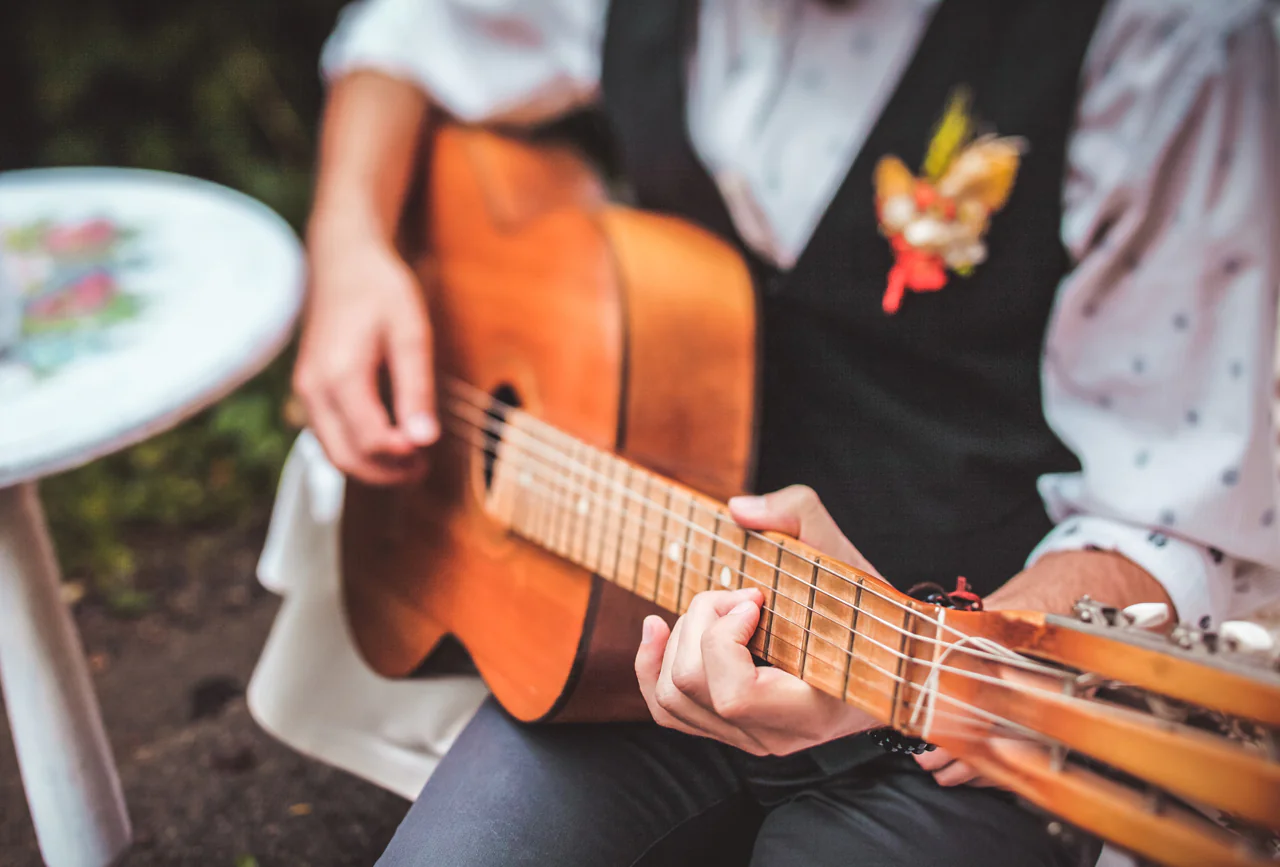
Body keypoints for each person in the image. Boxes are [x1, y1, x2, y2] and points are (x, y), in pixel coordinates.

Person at [286, 0, 1280, 865]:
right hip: (632, 633)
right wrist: (348, 251)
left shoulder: (1168, 44)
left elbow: (1170, 515)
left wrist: (942, 665)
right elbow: (404, 37)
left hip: (957, 704)